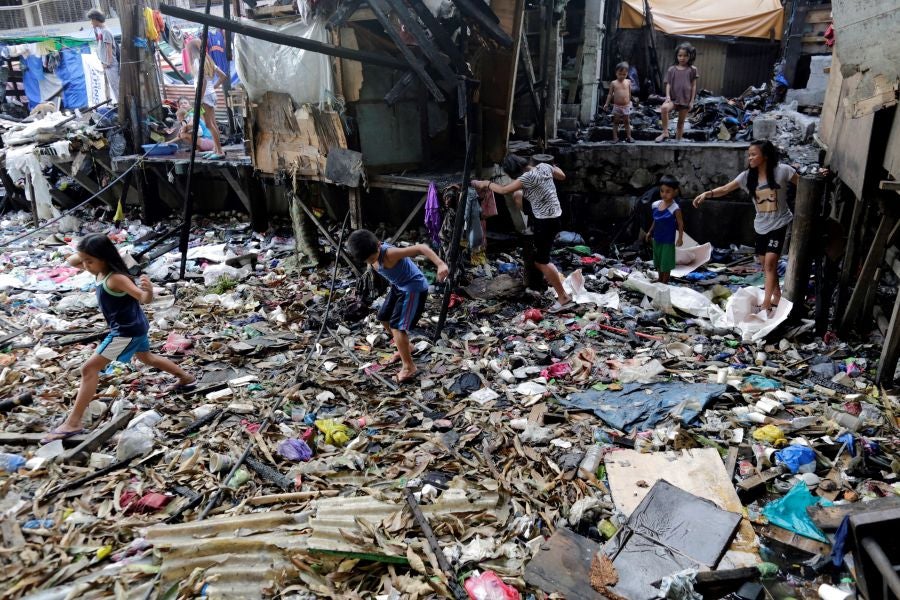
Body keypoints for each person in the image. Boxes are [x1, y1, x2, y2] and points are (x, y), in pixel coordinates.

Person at [42, 234, 196, 443]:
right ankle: (186, 378)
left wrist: (148, 291)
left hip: (125, 332)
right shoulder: (98, 269)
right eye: (84, 260)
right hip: (135, 327)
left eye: (90, 261)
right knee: (147, 358)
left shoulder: (115, 278)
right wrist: (84, 253)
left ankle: (73, 423)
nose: (85, 266)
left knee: (89, 369)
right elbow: (73, 261)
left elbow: (142, 298)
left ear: (104, 258)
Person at [693, 140, 799, 312]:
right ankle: (777, 295)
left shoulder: (783, 171)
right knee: (766, 264)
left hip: (780, 222)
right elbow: (726, 189)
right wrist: (707, 194)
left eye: (754, 154)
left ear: (765, 156)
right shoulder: (746, 177)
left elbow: (803, 185)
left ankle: (766, 303)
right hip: (761, 226)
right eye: (749, 154)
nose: (750, 157)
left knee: (771, 262)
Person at [472, 155, 573, 313]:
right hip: (555, 217)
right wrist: (554, 165)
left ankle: (563, 296)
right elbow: (561, 175)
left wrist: (486, 183)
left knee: (541, 262)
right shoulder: (543, 167)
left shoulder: (527, 177)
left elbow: (504, 190)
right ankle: (559, 291)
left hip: (544, 222)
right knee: (518, 195)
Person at [346, 229, 449, 384]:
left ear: (379, 245)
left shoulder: (389, 254)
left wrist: (441, 264)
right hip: (398, 286)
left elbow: (421, 247)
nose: (371, 262)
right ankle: (408, 348)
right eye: (367, 261)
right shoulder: (371, 253)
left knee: (397, 326)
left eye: (372, 258)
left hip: (413, 288)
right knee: (383, 317)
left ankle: (409, 366)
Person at [187, 38, 226, 159]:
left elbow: (202, 81)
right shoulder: (208, 59)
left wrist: (200, 98)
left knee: (209, 125)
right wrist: (213, 88)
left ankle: (219, 152)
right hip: (211, 95)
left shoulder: (197, 62)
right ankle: (216, 149)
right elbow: (223, 76)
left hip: (205, 96)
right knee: (213, 124)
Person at [645, 175, 684, 284]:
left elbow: (680, 224)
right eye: (662, 191)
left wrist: (680, 238)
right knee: (658, 260)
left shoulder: (675, 208)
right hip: (657, 238)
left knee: (666, 262)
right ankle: (659, 278)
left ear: (675, 192)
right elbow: (655, 220)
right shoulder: (656, 205)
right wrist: (649, 232)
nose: (664, 194)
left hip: (668, 240)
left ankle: (665, 281)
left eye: (668, 191)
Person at [656, 43, 698, 143]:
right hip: (673, 99)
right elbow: (668, 84)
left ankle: (678, 140)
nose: (682, 58)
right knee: (664, 108)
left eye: (685, 56)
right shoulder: (672, 69)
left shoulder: (693, 69)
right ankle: (665, 132)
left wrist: (692, 101)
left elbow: (693, 86)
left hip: (685, 99)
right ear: (676, 56)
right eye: (680, 55)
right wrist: (667, 96)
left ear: (690, 56)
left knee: (680, 123)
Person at [88, 8, 119, 104]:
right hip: (106, 64)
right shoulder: (101, 31)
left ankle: (122, 106)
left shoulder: (106, 31)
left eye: (92, 20)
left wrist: (108, 62)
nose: (91, 22)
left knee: (116, 86)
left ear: (96, 19)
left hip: (110, 64)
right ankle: (118, 104)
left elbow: (109, 48)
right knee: (112, 87)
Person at [603, 62, 635, 143]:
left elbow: (629, 93)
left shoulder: (628, 82)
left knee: (627, 122)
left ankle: (629, 136)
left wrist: (631, 100)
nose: (621, 76)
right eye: (620, 74)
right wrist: (606, 104)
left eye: (624, 74)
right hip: (617, 106)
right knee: (616, 122)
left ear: (627, 74)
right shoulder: (614, 83)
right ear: (616, 73)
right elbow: (610, 94)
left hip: (626, 106)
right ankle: (615, 137)